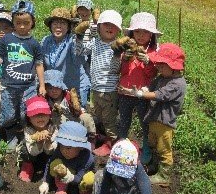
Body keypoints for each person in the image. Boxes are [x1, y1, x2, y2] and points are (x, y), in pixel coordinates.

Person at [0, 0, 45, 140]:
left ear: (33, 22)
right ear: (13, 22)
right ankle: (11, 136)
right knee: (8, 115)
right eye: (18, 23)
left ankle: (27, 138)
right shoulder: (6, 40)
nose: (22, 26)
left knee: (27, 114)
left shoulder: (34, 43)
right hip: (9, 86)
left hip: (29, 86)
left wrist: (42, 85)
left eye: (26, 23)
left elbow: (38, 64)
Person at [130, 43, 187, 186]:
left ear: (173, 67)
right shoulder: (162, 78)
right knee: (153, 144)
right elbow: (153, 87)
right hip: (155, 119)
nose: (159, 68)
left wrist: (142, 94)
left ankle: (164, 176)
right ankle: (154, 167)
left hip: (164, 123)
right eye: (159, 64)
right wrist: (145, 88)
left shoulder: (177, 84)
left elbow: (161, 95)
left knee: (164, 149)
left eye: (162, 65)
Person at [75, 10, 122, 157]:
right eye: (106, 24)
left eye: (113, 26)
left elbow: (116, 69)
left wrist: (117, 54)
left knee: (109, 119)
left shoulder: (118, 47)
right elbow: (80, 51)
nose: (109, 28)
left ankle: (112, 143)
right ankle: (105, 137)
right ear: (99, 26)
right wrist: (79, 35)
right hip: (96, 88)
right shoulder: (95, 43)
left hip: (110, 90)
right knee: (100, 114)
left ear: (118, 30)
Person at [117, 12, 161, 164]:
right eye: (137, 32)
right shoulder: (126, 50)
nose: (141, 36)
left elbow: (153, 74)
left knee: (144, 122)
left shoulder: (153, 52)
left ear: (151, 35)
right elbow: (121, 72)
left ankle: (146, 148)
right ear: (131, 33)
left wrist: (149, 62)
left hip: (143, 94)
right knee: (124, 120)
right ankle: (121, 144)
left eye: (145, 32)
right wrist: (125, 60)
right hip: (125, 92)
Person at [81, 139, 152, 194]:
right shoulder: (109, 168)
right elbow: (103, 187)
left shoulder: (139, 170)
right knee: (99, 175)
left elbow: (146, 193)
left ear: (137, 161)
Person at [41, 7, 90, 108]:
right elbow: (40, 63)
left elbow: (78, 53)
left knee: (78, 114)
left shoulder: (72, 40)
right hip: (56, 88)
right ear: (50, 26)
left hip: (75, 86)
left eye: (63, 23)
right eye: (55, 23)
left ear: (68, 27)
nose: (58, 26)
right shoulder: (45, 41)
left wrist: (79, 36)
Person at [39, 121, 95, 194]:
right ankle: (61, 186)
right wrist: (45, 182)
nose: (64, 151)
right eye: (62, 146)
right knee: (55, 163)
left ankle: (83, 191)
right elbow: (49, 164)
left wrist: (70, 177)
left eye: (69, 148)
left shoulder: (88, 158)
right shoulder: (59, 151)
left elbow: (78, 178)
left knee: (89, 179)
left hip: (79, 177)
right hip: (64, 171)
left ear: (80, 147)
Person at [44, 69, 96, 138]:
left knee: (86, 117)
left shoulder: (68, 96)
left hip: (73, 120)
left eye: (57, 88)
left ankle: (91, 138)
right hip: (57, 126)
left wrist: (77, 109)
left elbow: (79, 111)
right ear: (46, 89)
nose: (54, 91)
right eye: (50, 88)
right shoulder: (45, 100)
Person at [18, 96, 57, 182]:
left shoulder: (53, 128)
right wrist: (39, 143)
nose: (40, 118)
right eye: (35, 115)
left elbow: (51, 151)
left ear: (49, 116)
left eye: (43, 114)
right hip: (33, 153)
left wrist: (47, 142)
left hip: (48, 153)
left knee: (57, 152)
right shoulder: (28, 130)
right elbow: (32, 152)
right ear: (29, 119)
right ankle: (28, 165)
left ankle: (49, 167)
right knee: (23, 148)